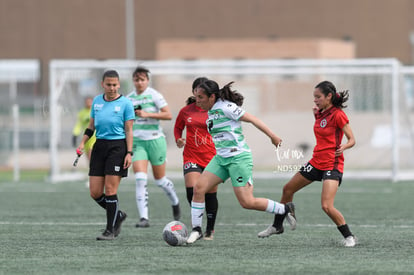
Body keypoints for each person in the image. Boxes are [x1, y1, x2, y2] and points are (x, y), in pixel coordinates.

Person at [186, 79, 296, 244]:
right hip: (221, 158)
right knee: (198, 189)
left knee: (247, 202)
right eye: (196, 97)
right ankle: (196, 230)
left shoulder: (226, 107)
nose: (197, 100)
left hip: (238, 158)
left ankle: (285, 209)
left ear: (212, 97)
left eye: (201, 97)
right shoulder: (210, 110)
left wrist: (272, 136)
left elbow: (252, 119)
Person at [257, 80, 357, 247]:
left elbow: (352, 139)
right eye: (314, 97)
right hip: (316, 162)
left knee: (326, 206)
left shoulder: (338, 115)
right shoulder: (319, 113)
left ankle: (349, 236)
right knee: (287, 189)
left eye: (318, 97)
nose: (315, 100)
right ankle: (277, 225)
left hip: (332, 164)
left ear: (329, 96)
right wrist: (316, 114)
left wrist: (344, 146)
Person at [77, 70, 135, 240]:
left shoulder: (126, 104)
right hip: (99, 146)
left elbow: (129, 130)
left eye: (115, 85)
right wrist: (82, 143)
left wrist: (129, 153)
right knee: (95, 192)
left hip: (118, 147)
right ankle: (118, 215)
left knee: (110, 189)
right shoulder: (96, 101)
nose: (112, 88)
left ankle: (110, 230)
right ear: (103, 84)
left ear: (119, 85)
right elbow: (91, 126)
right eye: (108, 84)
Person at [126, 66, 181, 228]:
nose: (139, 82)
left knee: (160, 180)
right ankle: (144, 218)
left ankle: (175, 202)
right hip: (138, 143)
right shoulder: (129, 99)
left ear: (147, 81)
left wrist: (147, 114)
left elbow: (168, 114)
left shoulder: (155, 95)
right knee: (140, 179)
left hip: (156, 141)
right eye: (136, 80)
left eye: (142, 79)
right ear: (133, 81)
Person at [174, 77, 219, 240]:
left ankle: (210, 229)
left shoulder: (216, 110)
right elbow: (178, 127)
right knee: (192, 189)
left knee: (211, 194)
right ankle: (197, 225)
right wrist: (178, 139)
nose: (197, 95)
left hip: (212, 158)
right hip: (191, 156)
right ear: (193, 92)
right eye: (195, 91)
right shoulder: (186, 110)